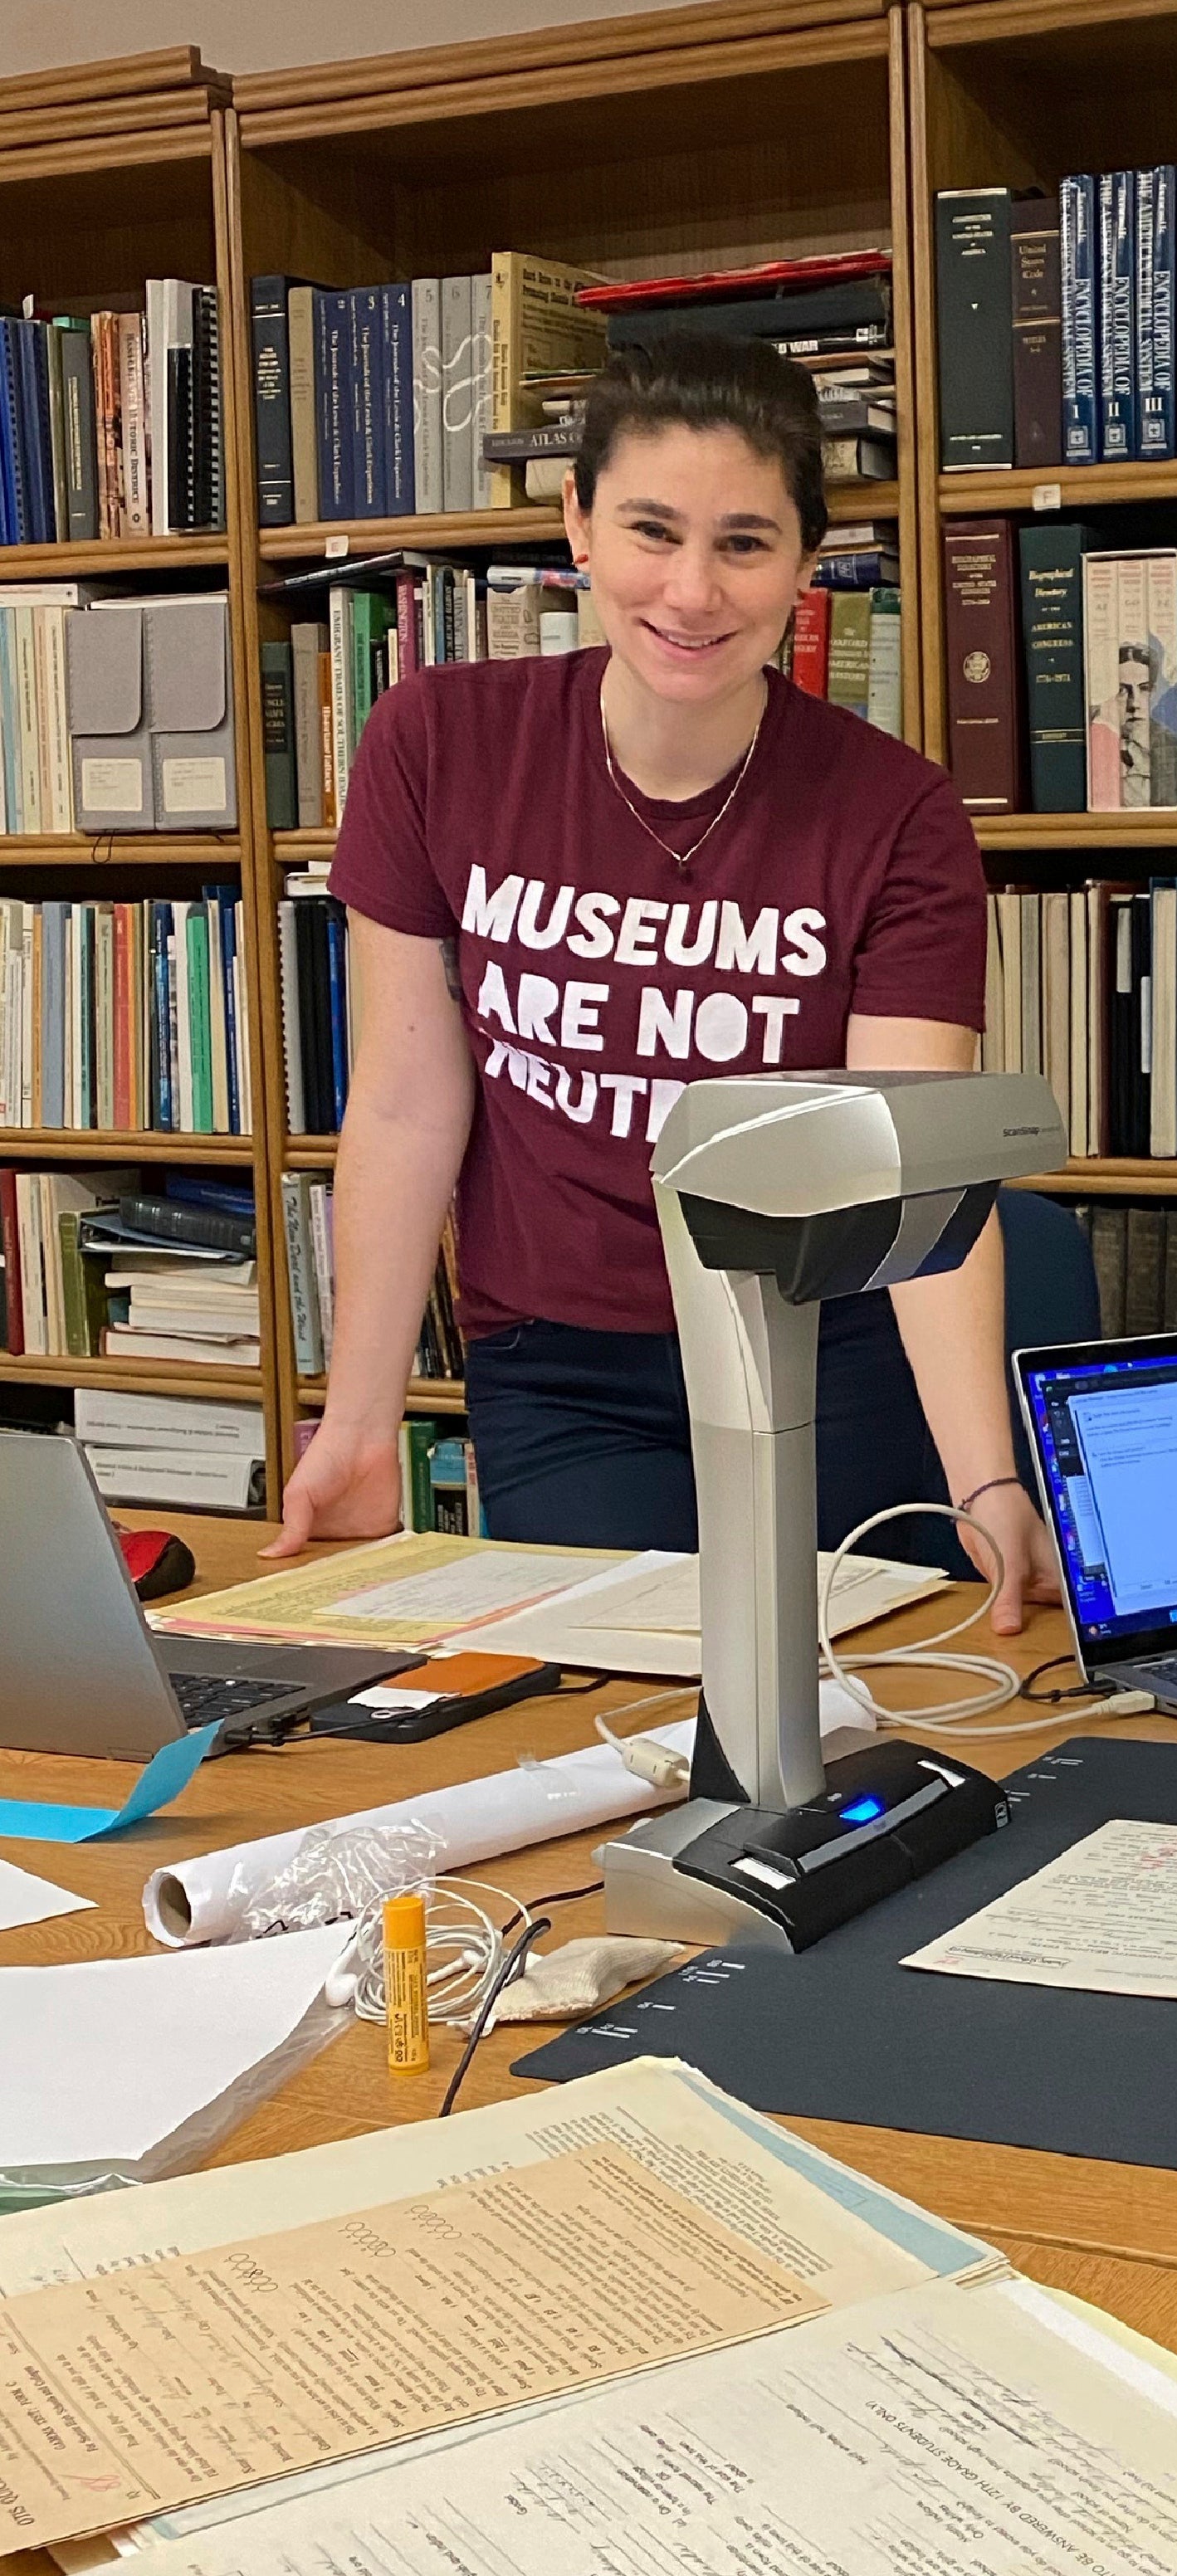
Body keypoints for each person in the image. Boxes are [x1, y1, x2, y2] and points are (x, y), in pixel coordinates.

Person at [264, 333, 1054, 1630]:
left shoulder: (895, 811)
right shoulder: (436, 742)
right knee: (605, 1707)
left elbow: (915, 1169)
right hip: (563, 1371)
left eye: (744, 543)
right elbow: (406, 1108)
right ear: (576, 524)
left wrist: (984, 1478)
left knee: (852, 1704)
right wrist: (357, 1424)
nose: (691, 591)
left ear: (807, 563)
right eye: (650, 529)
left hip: (824, 1355)